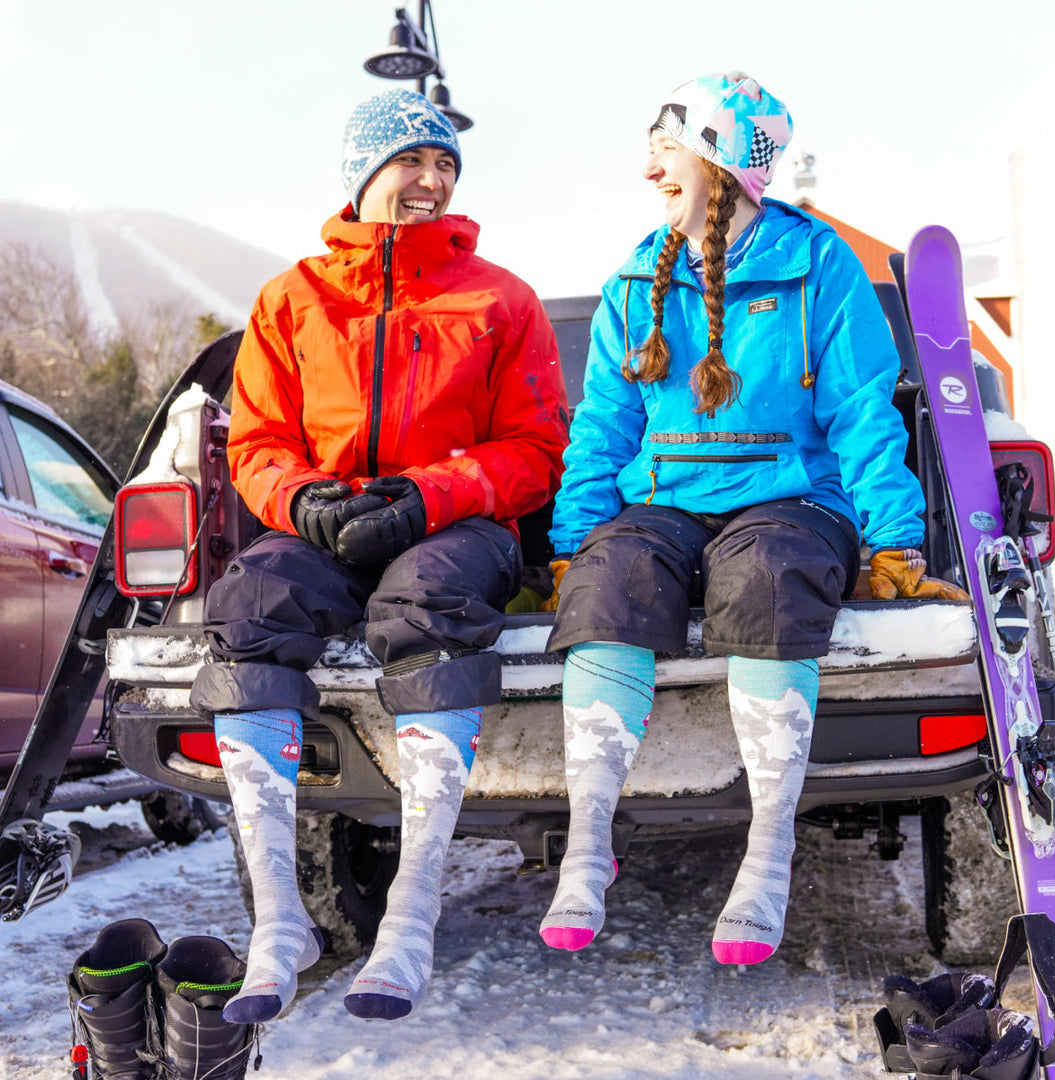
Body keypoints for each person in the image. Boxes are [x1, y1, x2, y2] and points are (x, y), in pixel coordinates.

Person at [538, 72, 965, 966]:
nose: (651, 167)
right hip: (666, 499)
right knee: (610, 581)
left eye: (669, 147)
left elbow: (860, 409)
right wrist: (574, 542)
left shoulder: (819, 268)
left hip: (791, 497)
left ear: (724, 162)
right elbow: (605, 426)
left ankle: (768, 849)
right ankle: (587, 843)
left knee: (766, 578)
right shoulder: (632, 282)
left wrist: (893, 538)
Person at [189, 88, 568, 1024]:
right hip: (328, 521)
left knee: (423, 608)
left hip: (454, 525)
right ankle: (281, 920)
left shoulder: (500, 298)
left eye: (446, 164)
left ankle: (410, 911)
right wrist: (303, 501)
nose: (432, 179)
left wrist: (430, 494)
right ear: (364, 175)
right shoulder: (291, 300)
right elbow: (258, 446)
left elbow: (536, 449)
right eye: (412, 160)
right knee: (247, 609)